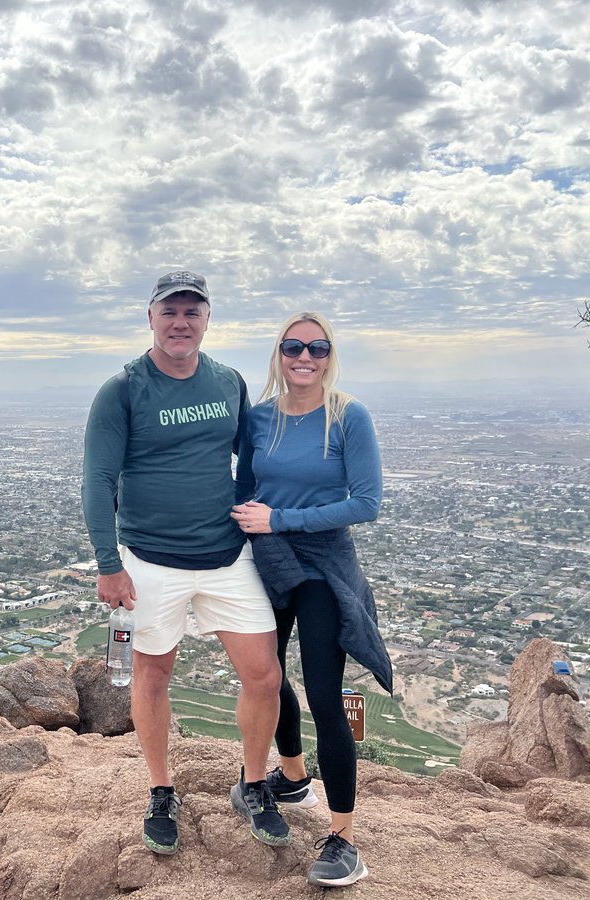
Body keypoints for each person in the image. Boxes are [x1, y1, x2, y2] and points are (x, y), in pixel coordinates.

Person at [82, 269, 289, 856]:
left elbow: (247, 461)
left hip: (226, 553)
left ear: (207, 319)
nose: (181, 322)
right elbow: (97, 481)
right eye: (169, 312)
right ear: (150, 318)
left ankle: (252, 784)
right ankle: (160, 791)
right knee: (152, 673)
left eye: (192, 312)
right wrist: (107, 564)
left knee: (264, 674)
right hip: (150, 559)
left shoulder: (228, 382)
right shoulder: (122, 390)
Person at [231, 312, 393, 887]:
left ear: (329, 355)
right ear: (278, 353)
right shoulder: (258, 419)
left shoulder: (348, 416)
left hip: (324, 565)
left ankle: (344, 838)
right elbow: (242, 487)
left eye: (316, 347)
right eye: (293, 346)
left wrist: (282, 519)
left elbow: (366, 503)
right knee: (264, 678)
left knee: (326, 696)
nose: (305, 356)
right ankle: (293, 776)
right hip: (268, 561)